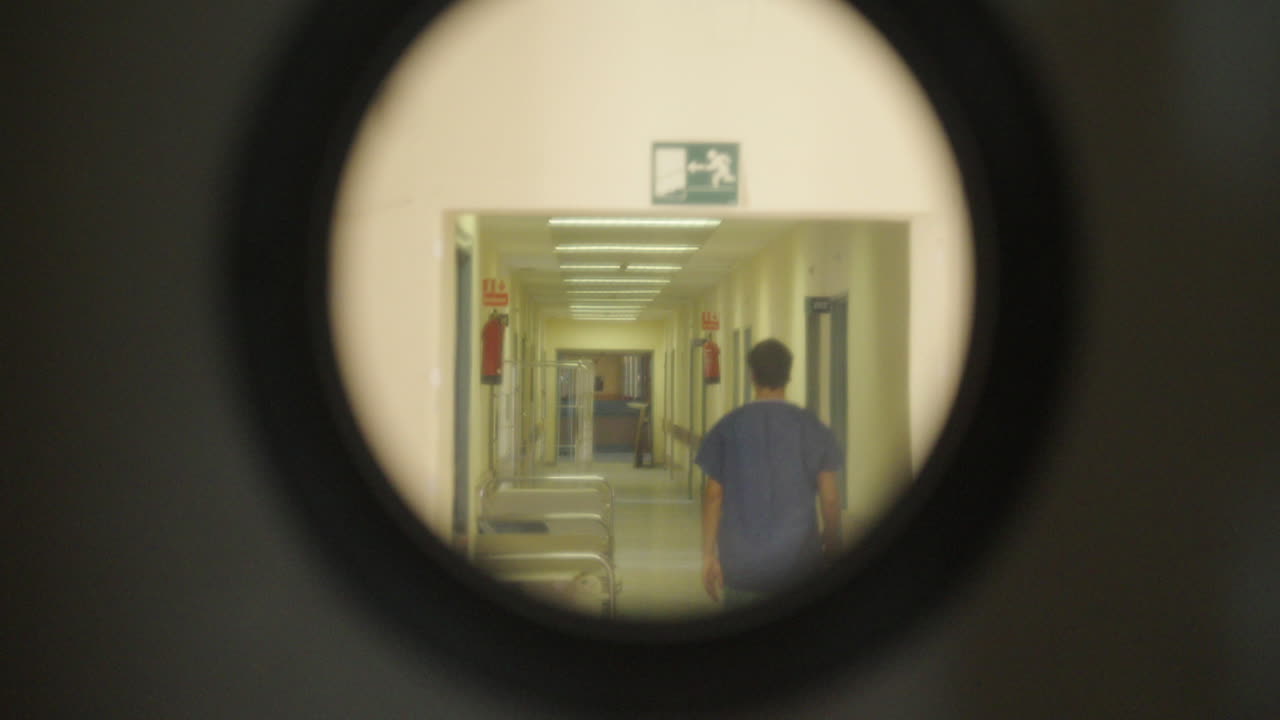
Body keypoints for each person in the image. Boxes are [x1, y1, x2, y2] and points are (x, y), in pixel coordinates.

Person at [695, 339, 843, 610]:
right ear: (789, 375)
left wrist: (708, 555)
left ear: (752, 376)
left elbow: (714, 495)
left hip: (742, 567)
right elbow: (830, 498)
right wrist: (832, 542)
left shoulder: (729, 427)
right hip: (799, 567)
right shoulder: (813, 429)